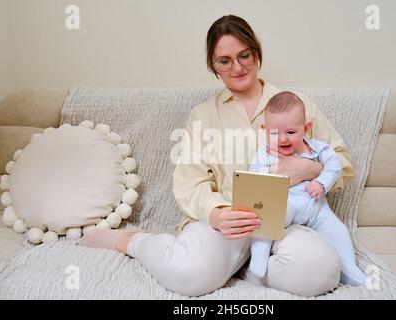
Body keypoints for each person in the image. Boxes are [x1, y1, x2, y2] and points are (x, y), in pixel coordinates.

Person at [79, 14, 356, 297]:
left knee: (321, 273)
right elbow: (190, 182)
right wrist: (217, 214)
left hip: (290, 221)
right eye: (225, 61)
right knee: (186, 275)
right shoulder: (202, 115)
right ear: (214, 65)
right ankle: (133, 241)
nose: (237, 67)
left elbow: (341, 160)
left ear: (256, 51)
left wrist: (310, 169)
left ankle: (240, 268)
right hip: (230, 224)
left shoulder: (295, 103)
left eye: (244, 55)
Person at [248, 91, 367, 286]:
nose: (283, 139)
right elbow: (256, 182)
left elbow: (335, 167)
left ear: (306, 128)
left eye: (291, 132)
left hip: (315, 207)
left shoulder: (319, 149)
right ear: (265, 130)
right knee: (266, 218)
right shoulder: (263, 154)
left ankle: (349, 270)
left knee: (339, 231)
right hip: (283, 206)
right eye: (275, 133)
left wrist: (321, 183)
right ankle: (259, 254)